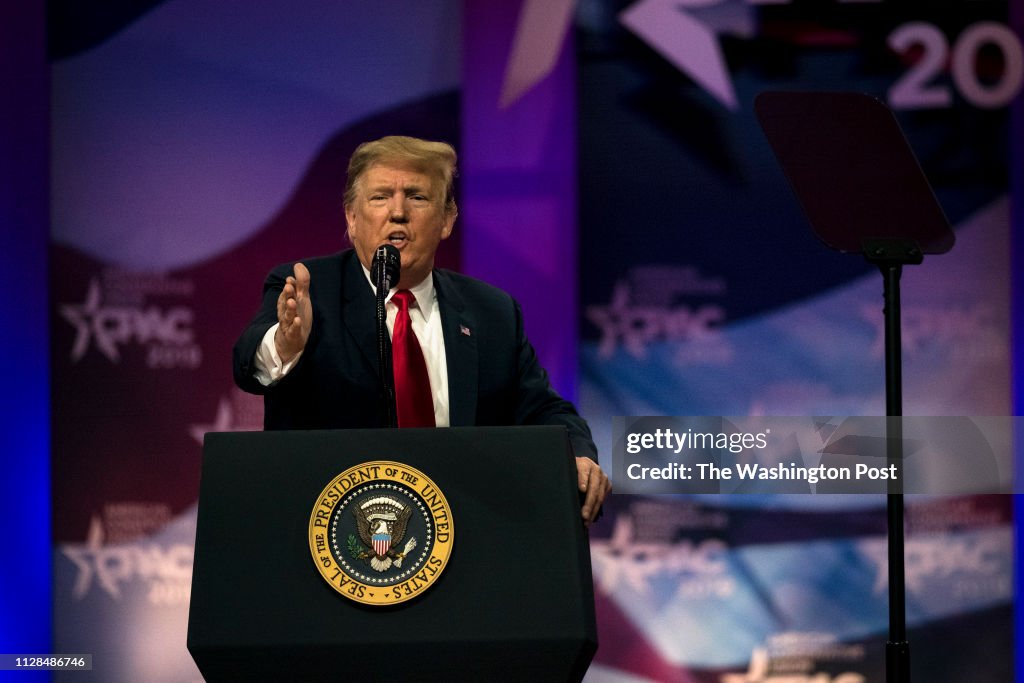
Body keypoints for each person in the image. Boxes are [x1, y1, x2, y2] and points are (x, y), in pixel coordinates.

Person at [233, 135, 610, 525]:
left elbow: (543, 408)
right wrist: (285, 344)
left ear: (447, 219)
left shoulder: (491, 312)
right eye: (380, 197)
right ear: (351, 217)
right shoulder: (310, 289)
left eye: (416, 197)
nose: (397, 213)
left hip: (462, 534)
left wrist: (579, 452)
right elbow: (248, 364)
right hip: (332, 534)